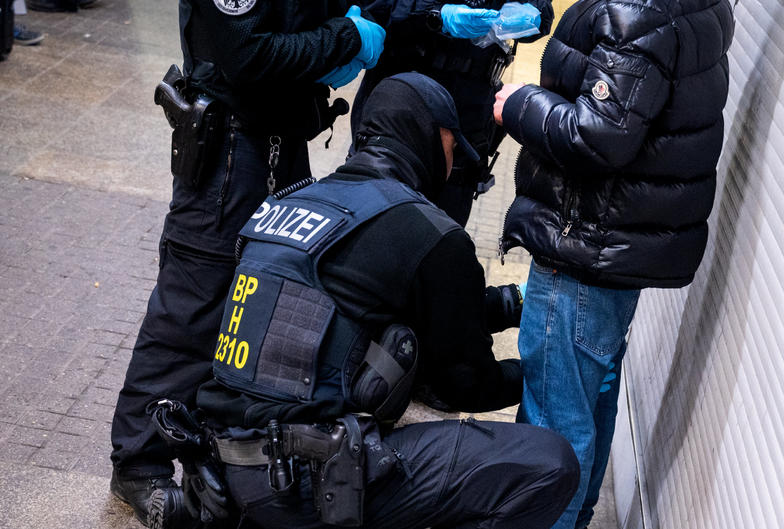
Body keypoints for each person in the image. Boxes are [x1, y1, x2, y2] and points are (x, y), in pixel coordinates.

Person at [179, 72, 579, 529]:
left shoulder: (297, 201)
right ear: (433, 137)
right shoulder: (427, 231)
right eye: (453, 150)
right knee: (548, 462)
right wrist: (539, 376)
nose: (452, 168)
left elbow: (382, 306)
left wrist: (512, 303)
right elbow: (465, 385)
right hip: (307, 483)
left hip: (223, 468)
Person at [108, 0, 386, 526]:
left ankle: (215, 446)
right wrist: (344, 38)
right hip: (229, 152)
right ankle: (138, 462)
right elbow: (247, 55)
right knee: (190, 310)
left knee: (263, 305)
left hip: (280, 145)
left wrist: (344, 28)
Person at [493, 0, 735, 527]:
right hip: (616, 245)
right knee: (589, 402)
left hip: (584, 245)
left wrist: (518, 104)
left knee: (552, 425)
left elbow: (595, 136)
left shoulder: (638, 13)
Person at [351, 0, 554, 226]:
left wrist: (529, 16)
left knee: (442, 232)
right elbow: (368, 8)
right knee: (373, 223)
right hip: (399, 105)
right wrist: (435, 15)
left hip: (468, 118)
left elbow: (542, 16)